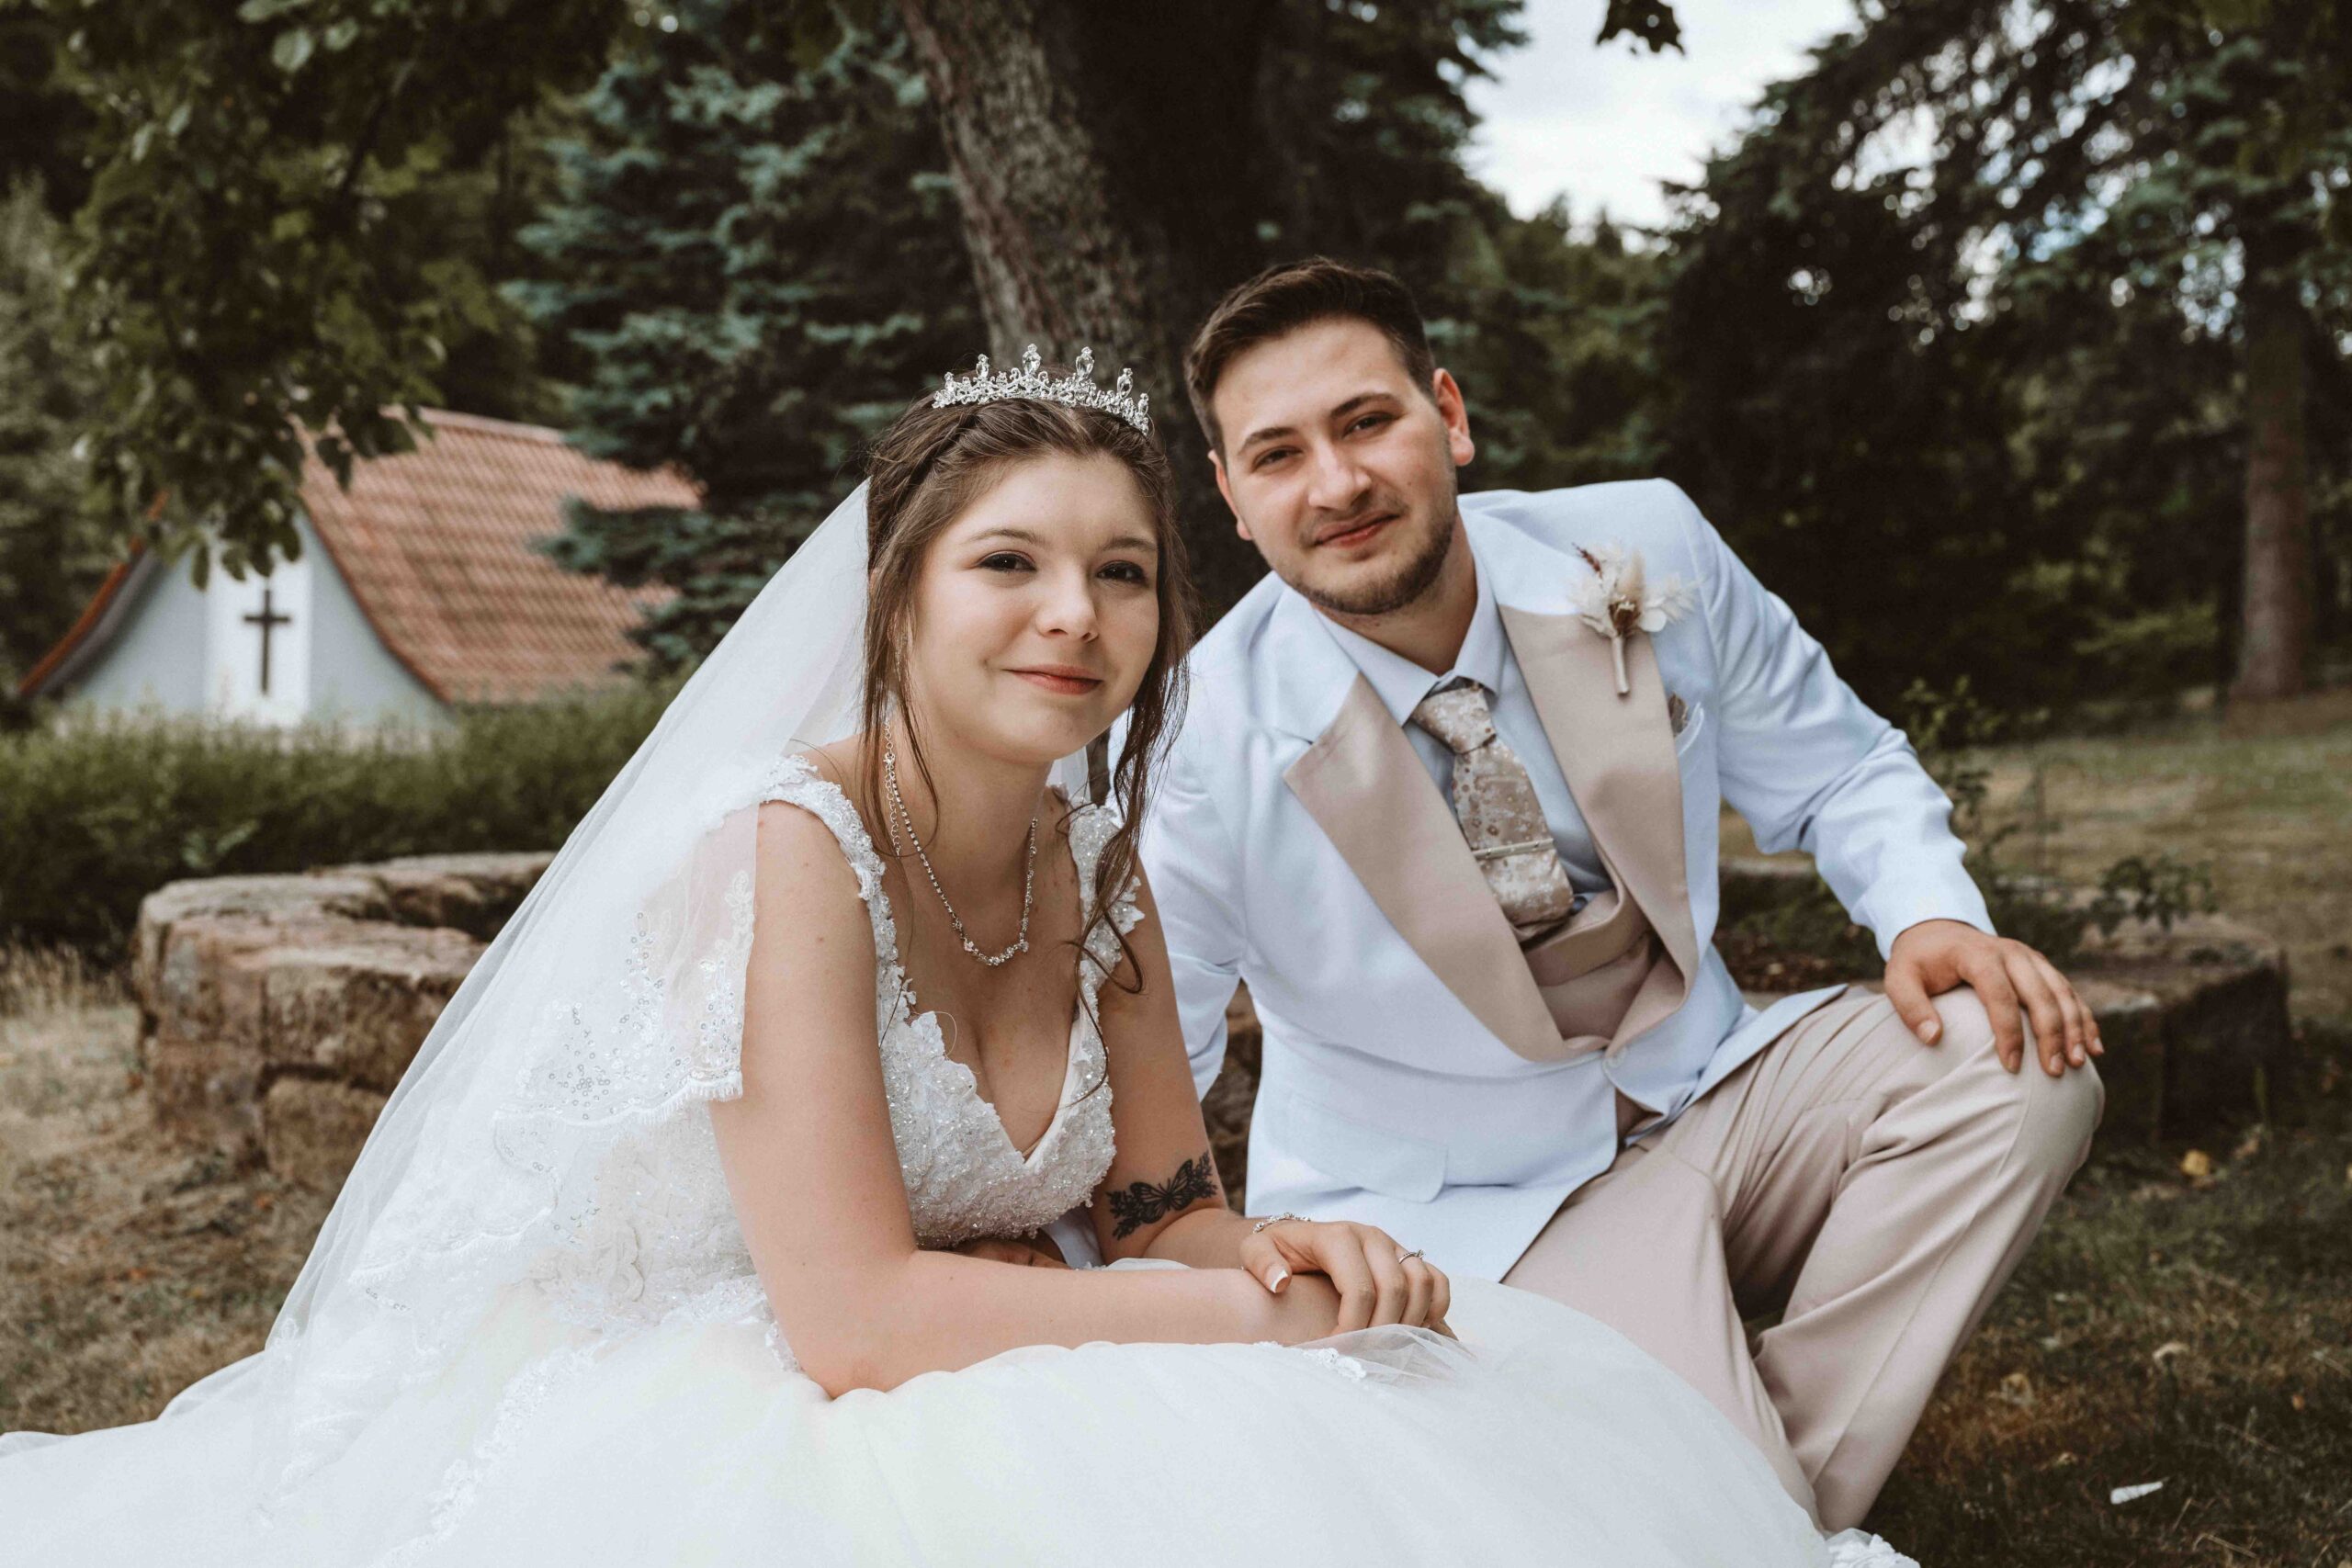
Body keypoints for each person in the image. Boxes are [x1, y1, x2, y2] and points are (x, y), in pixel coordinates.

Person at [0, 349, 1913, 1565]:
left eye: (1122, 572)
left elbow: (1160, 1211)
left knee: (1399, 1407)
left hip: (975, 1323)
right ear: (898, 594)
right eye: (1009, 563)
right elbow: (848, 1319)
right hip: (707, 1377)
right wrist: (1234, 1320)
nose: (1073, 615)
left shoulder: (1105, 865)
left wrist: (1277, 1258)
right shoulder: (786, 853)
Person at [1139, 256, 2108, 1534]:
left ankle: (1747, 1489)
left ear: (1449, 415)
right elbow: (1153, 1055)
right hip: (1478, 1209)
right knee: (1703, 1506)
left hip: (1716, 1087)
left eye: (1367, 422)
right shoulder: (1197, 742)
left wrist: (1931, 915)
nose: (1338, 484)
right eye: (1279, 455)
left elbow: (1840, 765)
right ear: (1231, 497)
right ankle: (1749, 1506)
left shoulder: (1641, 544)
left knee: (2016, 1061)